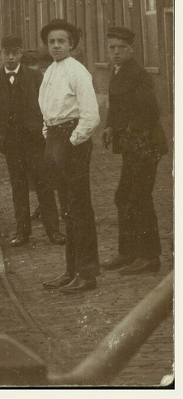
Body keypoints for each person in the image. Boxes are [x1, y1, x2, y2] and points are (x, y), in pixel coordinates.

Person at [0, 36, 63, 247]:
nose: (10, 57)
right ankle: (22, 232)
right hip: (11, 144)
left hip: (35, 142)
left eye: (14, 52)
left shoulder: (34, 77)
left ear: (20, 54)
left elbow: (48, 104)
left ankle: (53, 230)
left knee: (43, 185)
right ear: (1, 54)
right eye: (6, 53)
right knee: (18, 187)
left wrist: (43, 130)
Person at [38, 19, 100, 294]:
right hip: (55, 139)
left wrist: (73, 141)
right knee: (67, 208)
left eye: (61, 41)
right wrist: (48, 132)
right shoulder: (50, 71)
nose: (56, 46)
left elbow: (91, 115)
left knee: (79, 208)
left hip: (72, 140)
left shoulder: (78, 72)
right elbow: (47, 110)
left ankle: (87, 274)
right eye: (51, 42)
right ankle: (71, 270)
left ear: (71, 44)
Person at [100, 26, 168, 275]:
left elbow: (150, 112)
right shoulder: (117, 71)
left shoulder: (138, 74)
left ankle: (149, 256)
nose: (115, 52)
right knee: (123, 197)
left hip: (146, 144)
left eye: (121, 48)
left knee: (139, 197)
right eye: (111, 48)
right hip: (132, 145)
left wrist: (124, 130)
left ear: (131, 49)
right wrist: (109, 126)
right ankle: (128, 252)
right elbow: (117, 105)